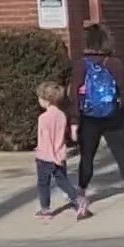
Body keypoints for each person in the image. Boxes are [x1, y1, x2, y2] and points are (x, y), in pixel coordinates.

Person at [69, 23, 124, 211]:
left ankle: (81, 194)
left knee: (87, 157)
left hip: (89, 118)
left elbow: (74, 96)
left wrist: (74, 121)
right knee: (121, 155)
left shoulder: (81, 65)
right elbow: (118, 89)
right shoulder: (115, 63)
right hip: (115, 116)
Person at [33, 82, 90, 220]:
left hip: (45, 156)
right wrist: (58, 155)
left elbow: (44, 138)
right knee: (62, 181)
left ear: (46, 100)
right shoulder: (62, 116)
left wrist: (41, 151)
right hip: (60, 154)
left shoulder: (43, 118)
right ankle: (78, 200)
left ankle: (45, 209)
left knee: (43, 183)